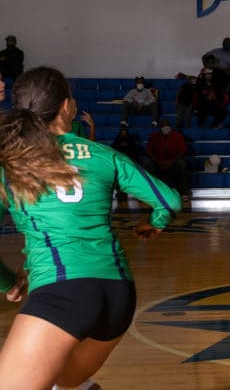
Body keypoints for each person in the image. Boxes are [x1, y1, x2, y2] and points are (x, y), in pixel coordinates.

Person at [0, 67, 180, 390]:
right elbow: (169, 201)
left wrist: (8, 282)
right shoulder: (103, 155)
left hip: (62, 291)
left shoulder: (11, 162)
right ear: (67, 106)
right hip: (118, 294)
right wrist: (152, 224)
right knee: (67, 381)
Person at [144, 118, 190, 207]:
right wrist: (159, 162)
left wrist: (171, 162)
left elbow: (182, 151)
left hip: (173, 162)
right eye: (163, 126)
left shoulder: (177, 136)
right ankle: (148, 192)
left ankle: (184, 193)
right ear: (160, 128)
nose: (166, 128)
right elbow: (149, 151)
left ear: (171, 127)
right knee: (147, 164)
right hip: (157, 162)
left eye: (167, 126)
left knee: (182, 164)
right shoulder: (154, 136)